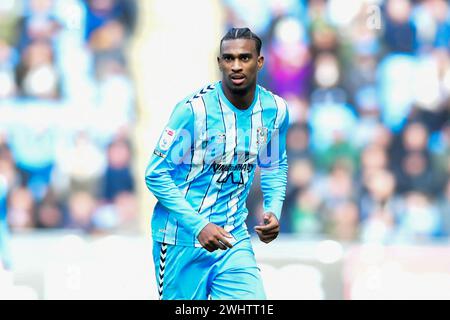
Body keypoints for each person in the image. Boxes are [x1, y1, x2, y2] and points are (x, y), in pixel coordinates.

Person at [145, 27, 289, 300]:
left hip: (232, 236)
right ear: (220, 62)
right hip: (180, 239)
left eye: (244, 58)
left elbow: (273, 164)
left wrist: (273, 209)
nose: (236, 65)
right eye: (229, 58)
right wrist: (199, 225)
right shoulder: (193, 112)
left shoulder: (275, 111)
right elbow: (156, 174)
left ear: (259, 62)